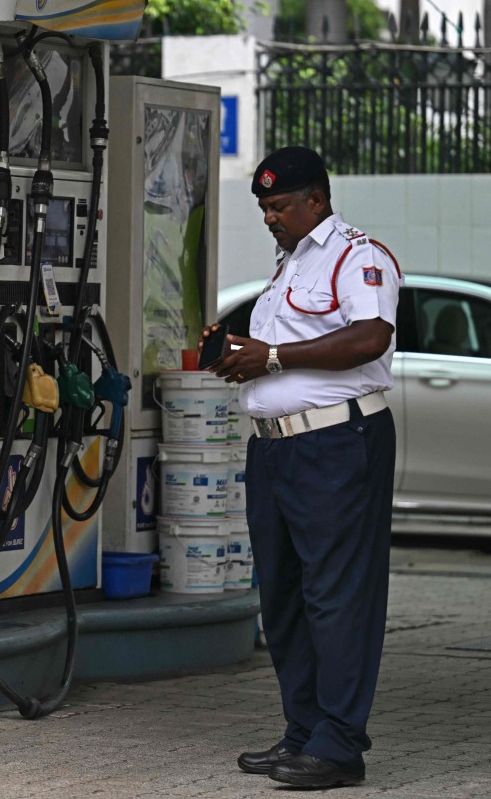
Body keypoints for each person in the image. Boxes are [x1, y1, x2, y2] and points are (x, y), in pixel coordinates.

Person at [203, 146, 401, 789]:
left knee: (336, 598)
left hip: (338, 445)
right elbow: (276, 350)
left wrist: (275, 358)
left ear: (316, 198)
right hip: (275, 448)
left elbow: (371, 337)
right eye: (263, 206)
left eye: (280, 204)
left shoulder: (356, 255)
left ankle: (340, 746)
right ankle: (304, 732)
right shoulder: (286, 267)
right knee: (283, 597)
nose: (270, 217)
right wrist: (238, 354)